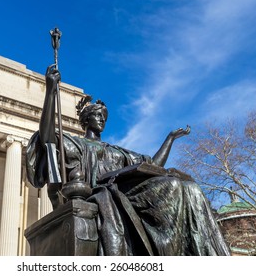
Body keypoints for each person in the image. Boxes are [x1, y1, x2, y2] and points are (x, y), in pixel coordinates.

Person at [26, 66, 231, 256]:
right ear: (86, 119)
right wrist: (50, 91)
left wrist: (170, 139)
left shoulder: (117, 151)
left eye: (104, 117)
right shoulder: (73, 143)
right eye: (97, 116)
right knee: (174, 185)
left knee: (190, 188)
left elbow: (153, 165)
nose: (102, 120)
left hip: (127, 193)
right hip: (101, 193)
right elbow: (47, 140)